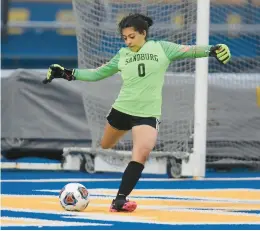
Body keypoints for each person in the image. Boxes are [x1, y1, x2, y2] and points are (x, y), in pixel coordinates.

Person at [43, 13, 231, 212]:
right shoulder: (122, 55)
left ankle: (120, 200)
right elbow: (97, 73)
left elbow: (190, 51)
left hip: (147, 113)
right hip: (122, 109)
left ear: (143, 33)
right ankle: (119, 190)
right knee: (105, 144)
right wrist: (66, 73)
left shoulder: (162, 48)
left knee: (142, 152)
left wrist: (213, 50)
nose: (128, 41)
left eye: (132, 36)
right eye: (125, 38)